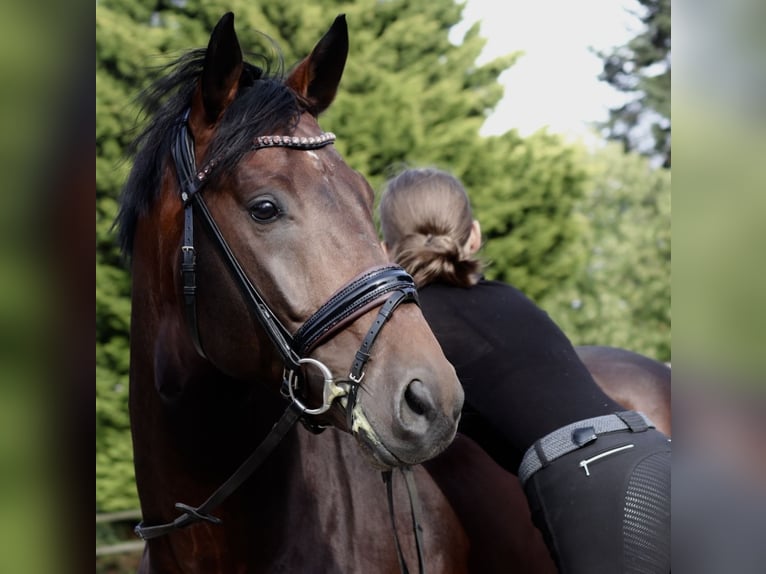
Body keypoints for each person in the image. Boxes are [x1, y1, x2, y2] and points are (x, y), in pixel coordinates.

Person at [378, 167, 670, 573]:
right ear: (474, 235)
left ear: (383, 249)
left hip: (587, 480)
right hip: (658, 450)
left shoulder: (413, 331)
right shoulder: (509, 297)